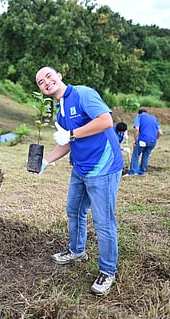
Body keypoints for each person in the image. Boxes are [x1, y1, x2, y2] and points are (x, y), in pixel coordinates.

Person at [35, 67, 123, 296]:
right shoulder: (60, 111)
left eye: (48, 76)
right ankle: (76, 250)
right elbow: (67, 141)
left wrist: (72, 134)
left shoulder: (83, 94)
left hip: (102, 167)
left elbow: (105, 120)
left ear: (59, 76)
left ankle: (107, 271)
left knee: (103, 221)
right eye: (40, 82)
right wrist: (46, 161)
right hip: (81, 167)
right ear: (41, 90)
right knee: (74, 210)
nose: (46, 82)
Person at [125, 108, 163, 176]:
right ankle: (141, 172)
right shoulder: (154, 118)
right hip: (152, 142)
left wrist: (135, 140)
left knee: (136, 155)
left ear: (139, 113)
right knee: (146, 156)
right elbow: (160, 133)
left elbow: (137, 129)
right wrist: (155, 139)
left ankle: (132, 172)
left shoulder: (139, 116)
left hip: (142, 140)